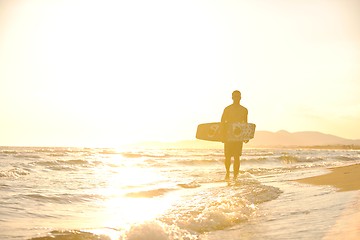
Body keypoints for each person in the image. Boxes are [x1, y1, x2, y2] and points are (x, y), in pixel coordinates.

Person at [221, 90, 248, 180]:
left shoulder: (244, 110)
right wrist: (222, 135)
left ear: (240, 97)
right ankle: (228, 173)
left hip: (238, 137)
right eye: (235, 96)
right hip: (228, 136)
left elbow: (245, 124)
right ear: (232, 97)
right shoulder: (227, 109)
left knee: (237, 157)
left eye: (238, 96)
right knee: (227, 157)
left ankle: (235, 176)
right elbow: (222, 122)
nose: (236, 98)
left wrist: (246, 136)